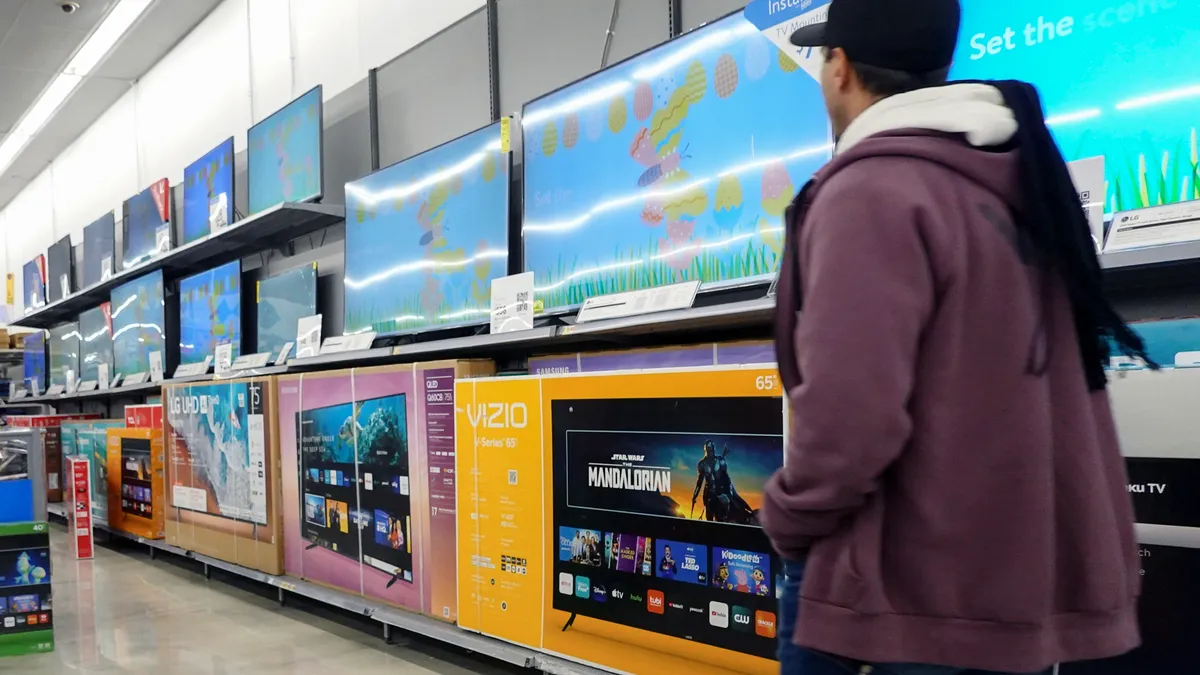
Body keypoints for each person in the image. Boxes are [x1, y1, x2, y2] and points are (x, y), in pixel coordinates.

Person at [761, 0, 1148, 673]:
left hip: (895, 599)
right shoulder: (1013, 182)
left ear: (841, 67)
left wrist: (788, 519)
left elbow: (853, 415)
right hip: (1007, 589)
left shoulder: (872, 191)